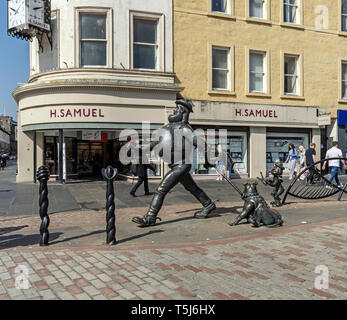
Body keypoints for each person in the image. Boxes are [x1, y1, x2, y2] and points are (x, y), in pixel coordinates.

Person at [132, 99, 216, 227]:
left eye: (176, 109)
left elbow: (202, 145)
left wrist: (208, 161)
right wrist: (140, 150)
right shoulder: (166, 128)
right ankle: (208, 205)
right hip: (175, 165)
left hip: (181, 165)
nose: (173, 111)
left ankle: (150, 217)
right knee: (192, 188)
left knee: (161, 189)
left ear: (182, 112)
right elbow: (153, 144)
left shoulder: (184, 129)